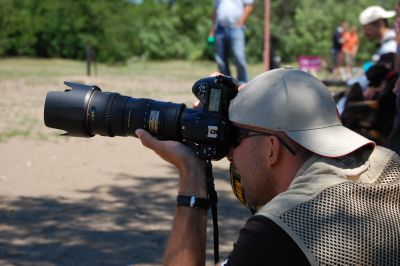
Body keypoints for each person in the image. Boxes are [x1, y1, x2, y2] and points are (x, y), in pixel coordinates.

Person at [136, 69, 400, 265]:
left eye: (236, 138)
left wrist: (191, 173)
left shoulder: (280, 231)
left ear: (272, 149)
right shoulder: (390, 164)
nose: (230, 154)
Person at [209, 0, 254, 84]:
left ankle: (243, 83)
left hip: (236, 28)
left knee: (239, 56)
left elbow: (249, 6)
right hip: (220, 29)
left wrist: (240, 23)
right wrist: (212, 32)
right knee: (220, 60)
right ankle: (226, 85)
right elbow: (216, 11)